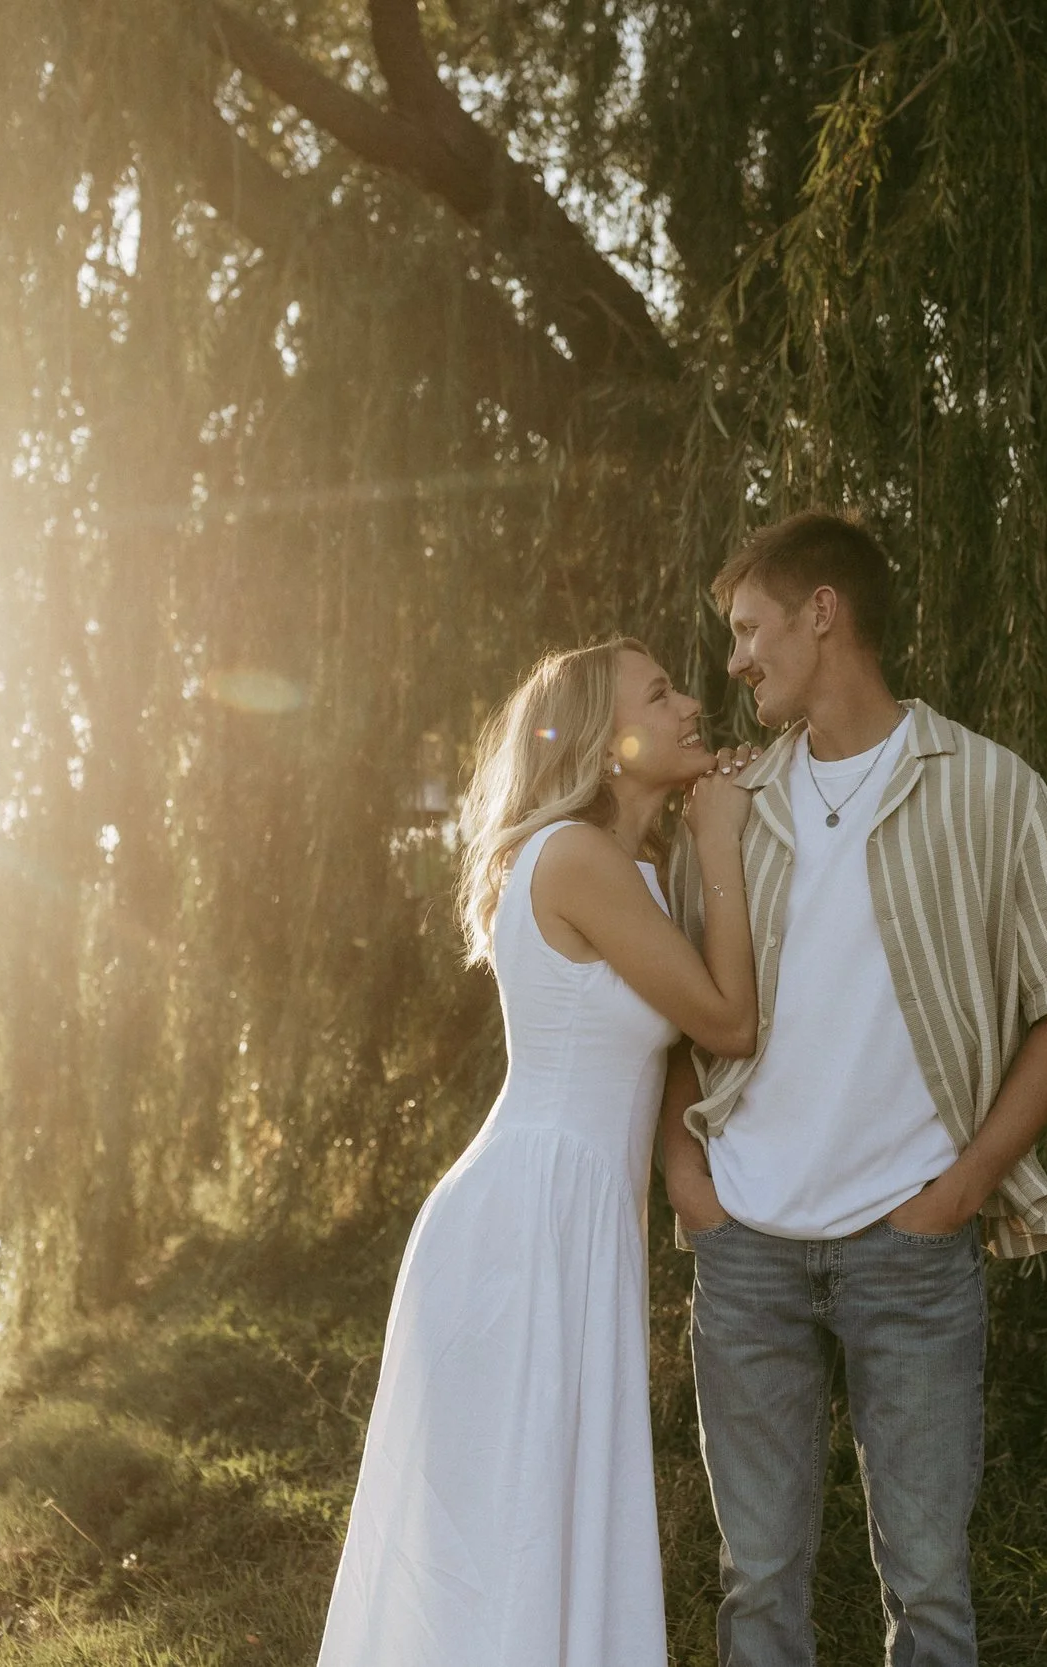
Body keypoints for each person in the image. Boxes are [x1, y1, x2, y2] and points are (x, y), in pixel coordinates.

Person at [660, 511, 1047, 1667]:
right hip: (746, 1243)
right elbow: (667, 1011)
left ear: (825, 612)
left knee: (929, 1582)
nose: (736, 659)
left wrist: (961, 1188)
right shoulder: (730, 802)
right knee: (756, 1583)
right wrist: (688, 1180)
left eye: (751, 627)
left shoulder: (992, 789)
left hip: (910, 1242)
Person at [317, 638, 758, 1667]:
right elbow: (728, 1021)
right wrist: (724, 841)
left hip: (573, 1215)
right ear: (610, 744)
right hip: (525, 1222)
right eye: (662, 692)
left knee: (546, 1516)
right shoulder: (575, 857)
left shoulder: (635, 868)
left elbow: (669, 1059)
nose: (694, 702)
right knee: (508, 1528)